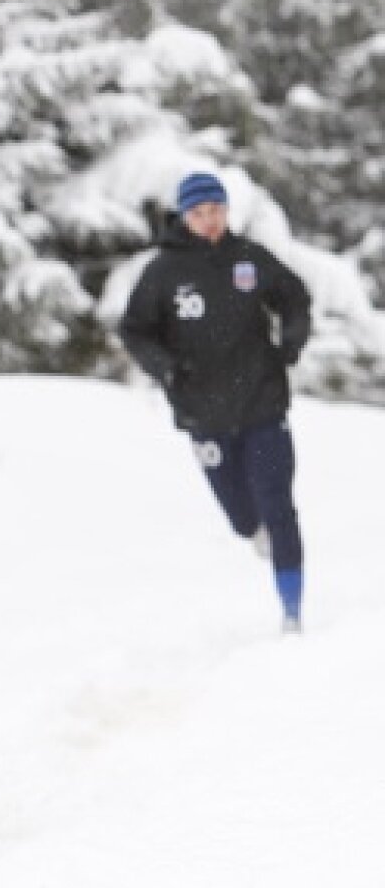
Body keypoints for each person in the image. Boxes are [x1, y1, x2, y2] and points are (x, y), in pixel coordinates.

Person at [119, 170, 312, 632]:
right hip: (202, 411)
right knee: (242, 516)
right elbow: (134, 330)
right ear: (185, 217)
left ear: (227, 211)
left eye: (217, 211)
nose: (210, 221)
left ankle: (292, 610)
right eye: (200, 213)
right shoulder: (163, 271)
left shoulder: (249, 258)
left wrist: (290, 342)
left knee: (278, 503)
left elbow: (295, 298)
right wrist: (164, 366)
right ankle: (252, 531)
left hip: (263, 402)